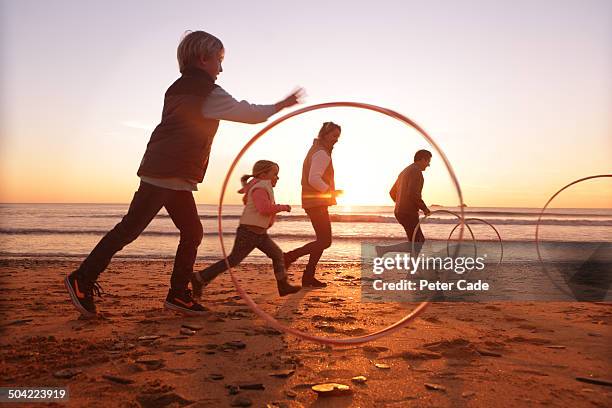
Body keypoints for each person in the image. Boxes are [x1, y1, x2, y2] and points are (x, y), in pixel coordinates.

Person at [65, 30, 303, 318]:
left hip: (170, 173)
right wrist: (282, 105)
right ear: (203, 59)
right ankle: (83, 278)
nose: (221, 67)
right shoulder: (206, 91)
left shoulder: (177, 87)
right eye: (219, 60)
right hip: (167, 172)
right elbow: (249, 114)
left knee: (191, 232)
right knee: (130, 229)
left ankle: (178, 294)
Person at [191, 160, 301, 297]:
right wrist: (283, 207)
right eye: (275, 174)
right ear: (263, 174)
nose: (277, 177)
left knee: (277, 255)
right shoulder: (260, 188)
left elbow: (261, 207)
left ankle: (283, 286)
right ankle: (199, 278)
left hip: (259, 233)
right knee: (233, 260)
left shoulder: (261, 187)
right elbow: (264, 209)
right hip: (249, 233)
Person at [283, 122, 342, 288]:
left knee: (321, 240)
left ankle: (308, 276)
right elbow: (313, 179)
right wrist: (329, 192)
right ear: (324, 135)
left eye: (338, 137)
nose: (336, 140)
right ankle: (288, 257)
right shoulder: (321, 153)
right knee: (325, 241)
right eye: (333, 136)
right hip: (316, 201)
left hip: (314, 201)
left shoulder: (316, 149)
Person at [375, 149, 432, 257]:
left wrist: (400, 204)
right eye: (428, 161)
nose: (428, 165)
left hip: (400, 212)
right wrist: (424, 208)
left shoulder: (404, 171)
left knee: (415, 242)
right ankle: (384, 250)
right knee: (418, 242)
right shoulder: (416, 172)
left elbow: (392, 192)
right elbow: (413, 193)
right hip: (408, 213)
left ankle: (411, 270)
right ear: (422, 159)